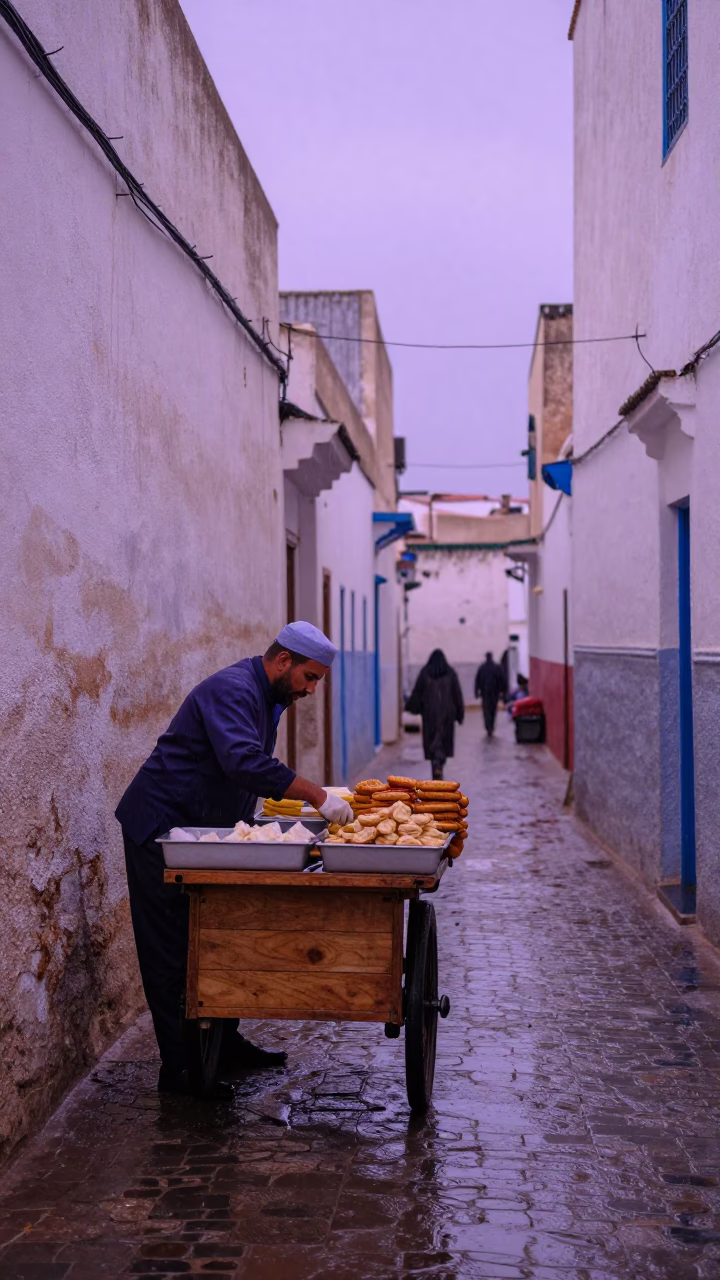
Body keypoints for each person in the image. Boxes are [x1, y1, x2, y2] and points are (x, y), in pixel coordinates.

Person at [115, 621, 354, 1098]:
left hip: (201, 833)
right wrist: (315, 795)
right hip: (159, 828)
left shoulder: (271, 698)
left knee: (218, 939)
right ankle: (180, 1070)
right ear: (283, 661)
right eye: (310, 677)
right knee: (172, 949)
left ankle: (224, 1046)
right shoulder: (233, 688)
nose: (311, 690)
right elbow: (242, 761)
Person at [405, 649, 464, 780]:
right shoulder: (450, 673)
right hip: (448, 715)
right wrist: (460, 714)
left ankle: (436, 766)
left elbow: (417, 694)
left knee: (433, 743)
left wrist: (413, 708)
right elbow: (457, 695)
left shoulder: (425, 673)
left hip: (429, 714)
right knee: (443, 742)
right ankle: (439, 765)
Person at [474, 651, 507, 737]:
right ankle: (491, 726)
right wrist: (503, 692)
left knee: (486, 710)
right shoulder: (497, 667)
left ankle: (488, 727)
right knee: (493, 710)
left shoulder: (482, 668)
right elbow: (503, 680)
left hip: (485, 693)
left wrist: (476, 692)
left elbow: (477, 681)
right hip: (494, 693)